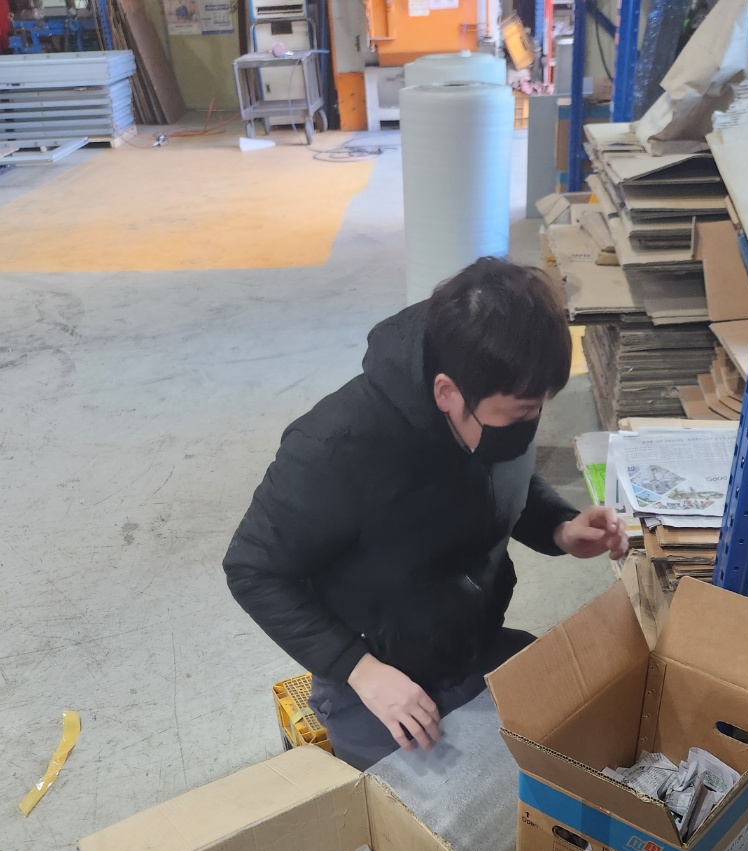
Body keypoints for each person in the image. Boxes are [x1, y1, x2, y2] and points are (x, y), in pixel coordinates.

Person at [224, 257, 628, 770]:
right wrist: (361, 671)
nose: (531, 425)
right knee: (448, 811)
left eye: (539, 408)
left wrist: (559, 527)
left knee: (585, 739)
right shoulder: (334, 448)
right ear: (446, 392)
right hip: (377, 671)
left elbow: (505, 474)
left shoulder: (492, 400)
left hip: (470, 638)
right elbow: (252, 569)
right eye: (521, 414)